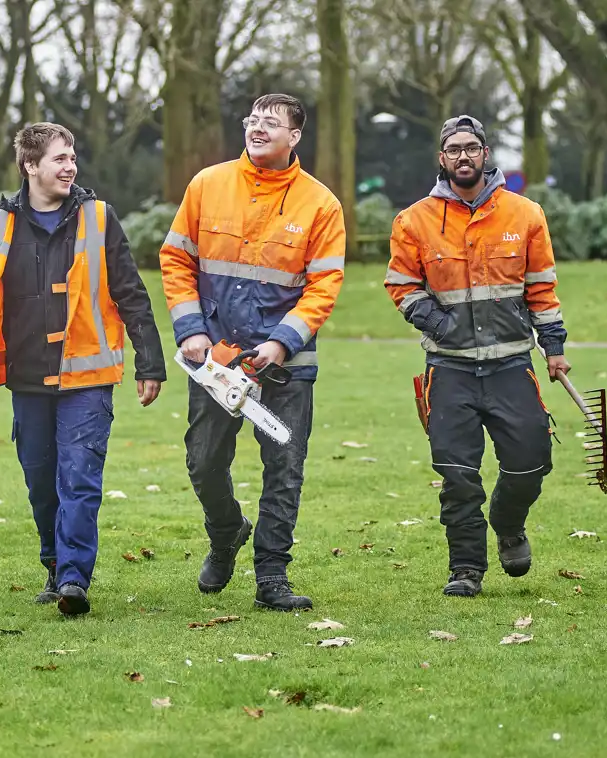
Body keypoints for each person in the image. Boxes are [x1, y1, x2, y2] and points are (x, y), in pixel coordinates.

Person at [0, 122, 166, 617]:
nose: (69, 166)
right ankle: (54, 566)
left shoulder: (99, 218)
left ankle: (75, 577)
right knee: (40, 479)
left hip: (87, 379)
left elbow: (131, 293)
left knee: (79, 477)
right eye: (58, 158)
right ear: (30, 166)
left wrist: (150, 361)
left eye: (72, 156)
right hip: (28, 379)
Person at [159, 94, 346, 611]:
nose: (258, 129)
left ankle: (272, 577)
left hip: (288, 365)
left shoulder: (320, 204)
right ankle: (225, 533)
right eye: (252, 121)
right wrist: (191, 329)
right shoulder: (207, 185)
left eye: (271, 123)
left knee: (284, 467)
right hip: (216, 358)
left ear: (295, 136)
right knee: (203, 461)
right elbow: (176, 259)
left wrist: (283, 342)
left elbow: (324, 284)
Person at [383, 114, 570, 598]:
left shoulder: (526, 214)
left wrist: (554, 348)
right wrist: (441, 324)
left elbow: (541, 288)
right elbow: (401, 286)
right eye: (453, 149)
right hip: (449, 369)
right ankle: (465, 568)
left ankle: (508, 523)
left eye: (471, 148)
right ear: (441, 159)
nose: (463, 156)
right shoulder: (414, 221)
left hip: (512, 364)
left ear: (486, 155)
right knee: (458, 475)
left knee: (532, 462)